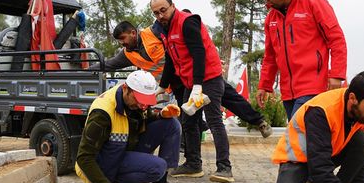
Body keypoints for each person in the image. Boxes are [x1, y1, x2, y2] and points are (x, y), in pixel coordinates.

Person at [104, 20, 272, 138]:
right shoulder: (127, 54)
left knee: (228, 96)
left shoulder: (154, 33)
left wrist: (209, 59)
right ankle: (194, 150)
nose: (122, 44)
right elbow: (107, 64)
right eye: (119, 42)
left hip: (195, 73)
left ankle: (259, 121)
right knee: (188, 116)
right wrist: (81, 66)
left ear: (133, 33)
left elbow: (185, 39)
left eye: (123, 39)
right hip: (177, 84)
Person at [75, 70, 187, 183]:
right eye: (139, 100)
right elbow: (83, 158)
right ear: (125, 89)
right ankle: (114, 182)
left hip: (124, 148)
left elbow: (142, 119)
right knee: (158, 166)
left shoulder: (136, 103)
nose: (143, 106)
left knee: (171, 124)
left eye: (145, 101)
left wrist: (160, 115)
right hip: (106, 162)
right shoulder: (102, 113)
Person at [150, 0, 234, 183]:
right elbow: (171, 60)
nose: (160, 16)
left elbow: (199, 53)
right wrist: (161, 88)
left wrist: (198, 86)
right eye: (156, 13)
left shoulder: (188, 22)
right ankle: (193, 164)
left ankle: (224, 168)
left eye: (163, 10)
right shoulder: (166, 30)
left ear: (173, 6)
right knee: (188, 122)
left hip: (209, 79)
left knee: (214, 121)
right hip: (190, 82)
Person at [256, 0, 347, 120]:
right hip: (287, 92)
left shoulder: (314, 3)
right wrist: (264, 85)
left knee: (297, 135)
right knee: (301, 137)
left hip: (313, 87)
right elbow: (270, 56)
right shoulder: (271, 18)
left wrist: (337, 75)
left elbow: (337, 40)